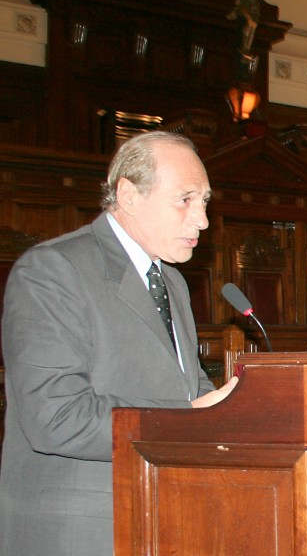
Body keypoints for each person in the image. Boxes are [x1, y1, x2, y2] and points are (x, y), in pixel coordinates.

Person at [0, 131, 237, 556]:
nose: (201, 219)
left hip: (166, 511)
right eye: (185, 199)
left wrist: (246, 404)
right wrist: (185, 416)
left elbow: (192, 390)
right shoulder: (52, 270)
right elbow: (56, 417)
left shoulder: (171, 281)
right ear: (128, 195)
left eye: (204, 201)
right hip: (85, 528)